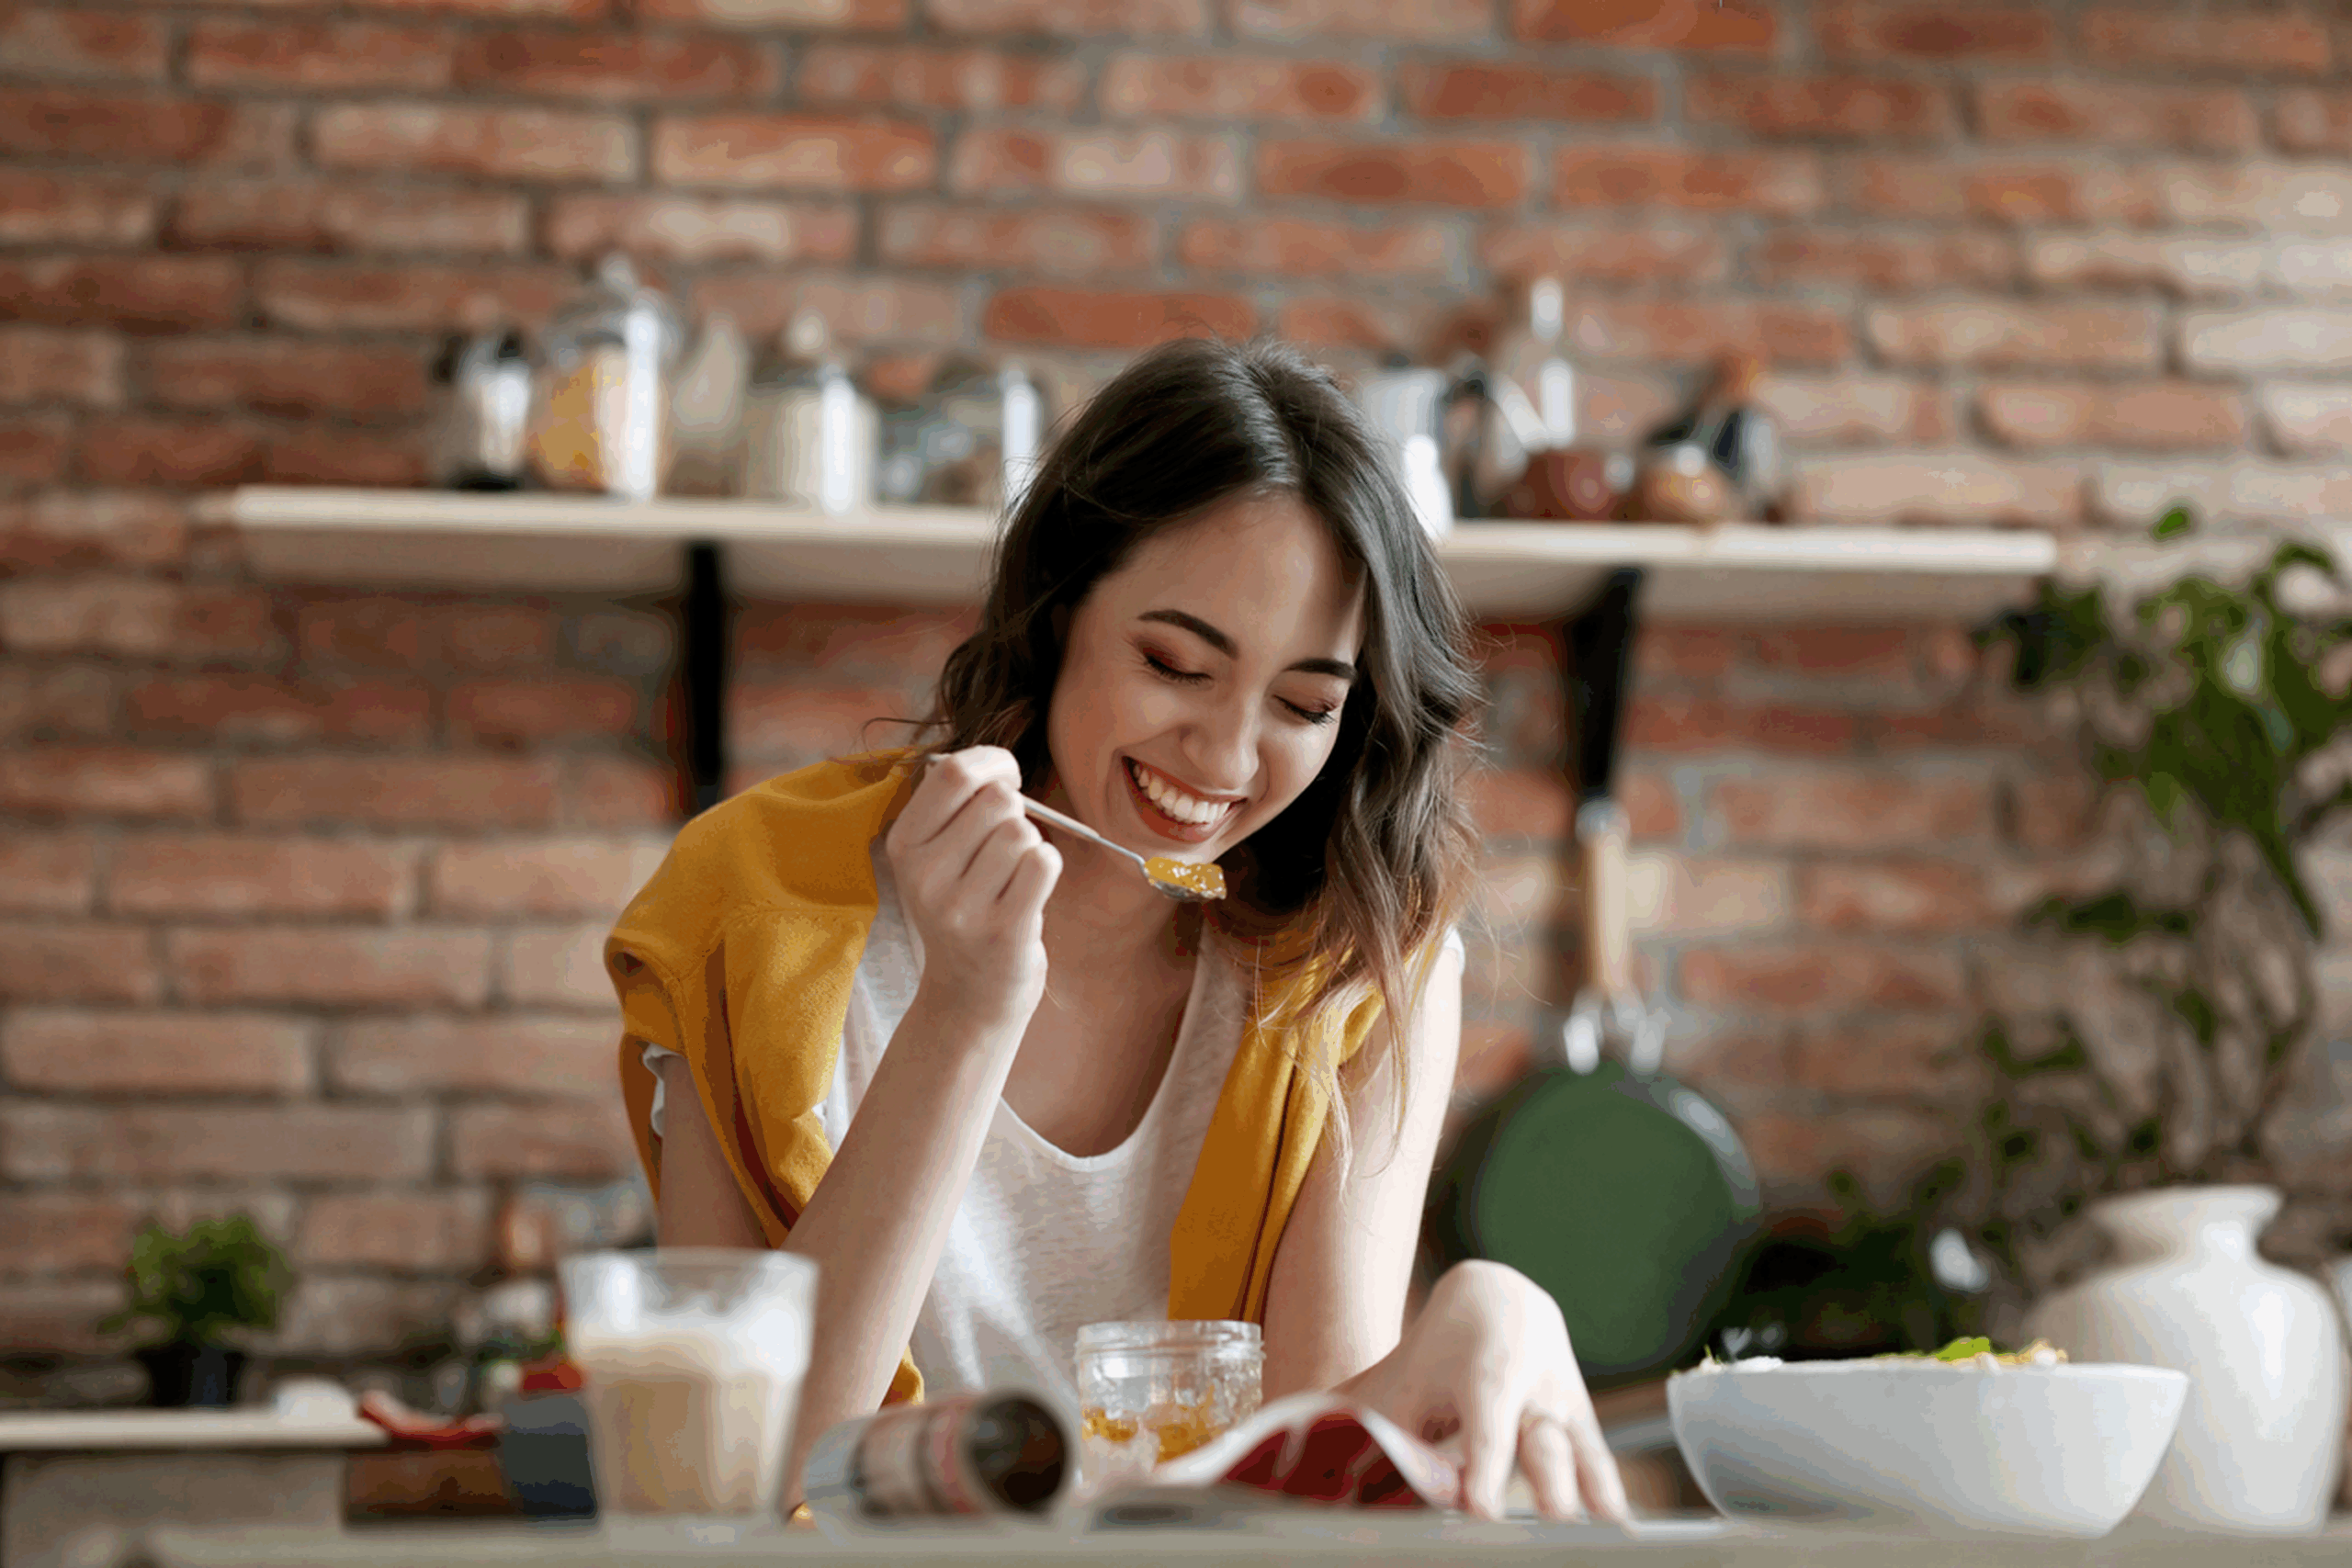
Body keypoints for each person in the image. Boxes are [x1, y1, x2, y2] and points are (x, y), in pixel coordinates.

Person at [605, 335, 1629, 1524]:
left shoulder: (1358, 955)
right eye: (1175, 664)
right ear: (1058, 609)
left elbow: (1310, 1496)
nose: (1228, 758)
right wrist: (965, 1010)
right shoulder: (750, 909)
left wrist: (1497, 1306)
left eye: (1304, 704)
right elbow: (740, 1483)